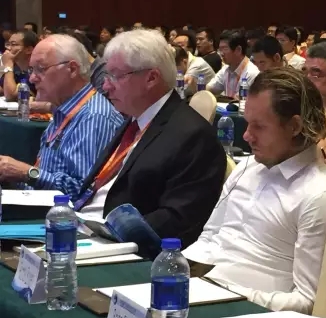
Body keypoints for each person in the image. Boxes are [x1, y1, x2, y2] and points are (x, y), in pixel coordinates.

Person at [182, 67, 326, 313]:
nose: (247, 136)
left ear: (294, 126)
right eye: (248, 124)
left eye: (258, 127)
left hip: (246, 312)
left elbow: (307, 301)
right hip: (202, 290)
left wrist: (228, 294)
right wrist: (179, 270)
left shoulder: (320, 196)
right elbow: (210, 237)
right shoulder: (248, 166)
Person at [76, 29, 226, 250]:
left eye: (116, 76)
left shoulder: (193, 136)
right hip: (83, 227)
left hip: (123, 247)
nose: (106, 86)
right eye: (107, 76)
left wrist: (110, 234)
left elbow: (179, 219)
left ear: (151, 78)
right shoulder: (134, 119)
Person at [0, 35, 122, 199]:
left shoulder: (94, 117)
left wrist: (27, 173)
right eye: (31, 70)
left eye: (41, 69)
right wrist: (10, 175)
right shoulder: (63, 110)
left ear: (72, 69)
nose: (32, 78)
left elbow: (83, 193)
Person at [206, 29, 259, 98]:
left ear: (238, 50)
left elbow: (242, 100)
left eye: (225, 49)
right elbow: (209, 88)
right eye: (220, 49)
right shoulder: (225, 69)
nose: (221, 53)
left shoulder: (252, 73)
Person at [1, 30, 38, 100]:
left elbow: (11, 96)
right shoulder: (16, 68)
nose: (8, 48)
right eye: (8, 44)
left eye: (13, 44)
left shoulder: (36, 72)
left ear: (29, 50)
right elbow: (2, 88)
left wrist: (8, 65)